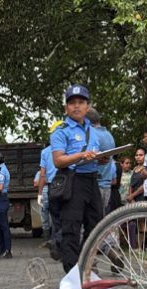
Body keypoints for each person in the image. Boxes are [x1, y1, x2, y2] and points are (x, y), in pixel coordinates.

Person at [51, 84, 104, 273]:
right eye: (72, 103)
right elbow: (58, 160)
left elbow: (95, 154)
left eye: (81, 102)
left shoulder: (92, 130)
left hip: (92, 181)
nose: (76, 106)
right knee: (71, 230)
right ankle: (72, 278)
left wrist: (102, 158)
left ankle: (84, 266)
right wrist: (81, 156)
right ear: (66, 107)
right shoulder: (61, 130)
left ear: (88, 106)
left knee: (97, 226)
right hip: (73, 182)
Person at [38, 121, 64, 260]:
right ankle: (59, 244)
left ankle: (56, 245)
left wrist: (40, 193)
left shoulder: (45, 152)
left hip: (51, 188)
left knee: (55, 219)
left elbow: (43, 174)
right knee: (67, 218)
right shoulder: (67, 148)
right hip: (66, 186)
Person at [87, 107, 116, 215]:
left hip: (95, 185)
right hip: (106, 183)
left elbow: (87, 158)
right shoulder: (109, 135)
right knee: (102, 220)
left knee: (93, 222)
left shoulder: (92, 135)